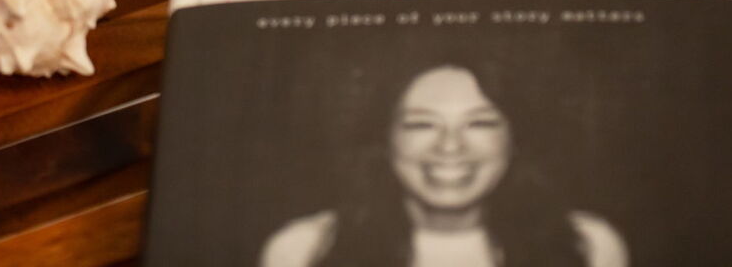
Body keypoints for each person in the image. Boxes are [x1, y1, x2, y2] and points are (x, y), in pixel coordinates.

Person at [259, 63, 628, 267]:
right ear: (384, 139)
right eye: (421, 124)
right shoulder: (304, 250)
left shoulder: (588, 247)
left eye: (480, 123)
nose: (450, 146)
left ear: (516, 139)